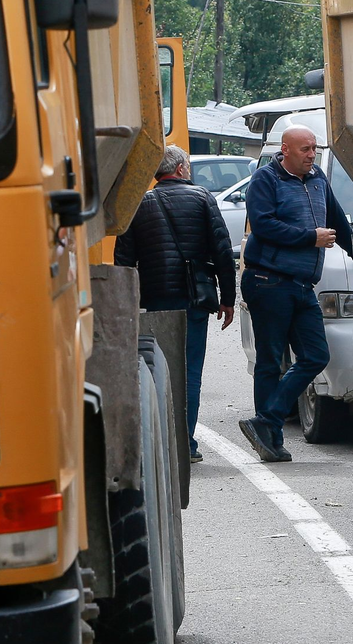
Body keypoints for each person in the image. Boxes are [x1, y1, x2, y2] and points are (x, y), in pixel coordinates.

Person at [238, 125, 353, 462]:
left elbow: (339, 224)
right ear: (285, 150)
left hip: (303, 284)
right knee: (270, 360)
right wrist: (310, 237)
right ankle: (271, 440)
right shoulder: (266, 179)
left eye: (314, 148)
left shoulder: (318, 180)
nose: (311, 155)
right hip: (268, 281)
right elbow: (263, 226)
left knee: (316, 356)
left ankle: (266, 420)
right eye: (305, 149)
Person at [115, 145, 236, 463]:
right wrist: (228, 299)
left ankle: (161, 442)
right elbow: (222, 250)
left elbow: (123, 259)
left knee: (159, 370)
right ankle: (186, 444)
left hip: (156, 300)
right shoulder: (202, 198)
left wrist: (127, 304)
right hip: (195, 298)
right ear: (181, 168)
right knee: (190, 372)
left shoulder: (139, 203)